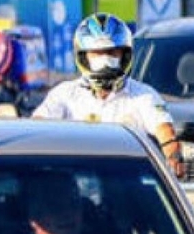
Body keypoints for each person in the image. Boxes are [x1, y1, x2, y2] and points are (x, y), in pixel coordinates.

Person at [33, 14, 184, 178]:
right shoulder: (63, 94)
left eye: (112, 53)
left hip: (126, 183)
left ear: (124, 55)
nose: (105, 60)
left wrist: (172, 153)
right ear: (83, 56)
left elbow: (164, 130)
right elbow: (37, 129)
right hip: (74, 183)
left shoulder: (143, 95)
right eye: (97, 53)